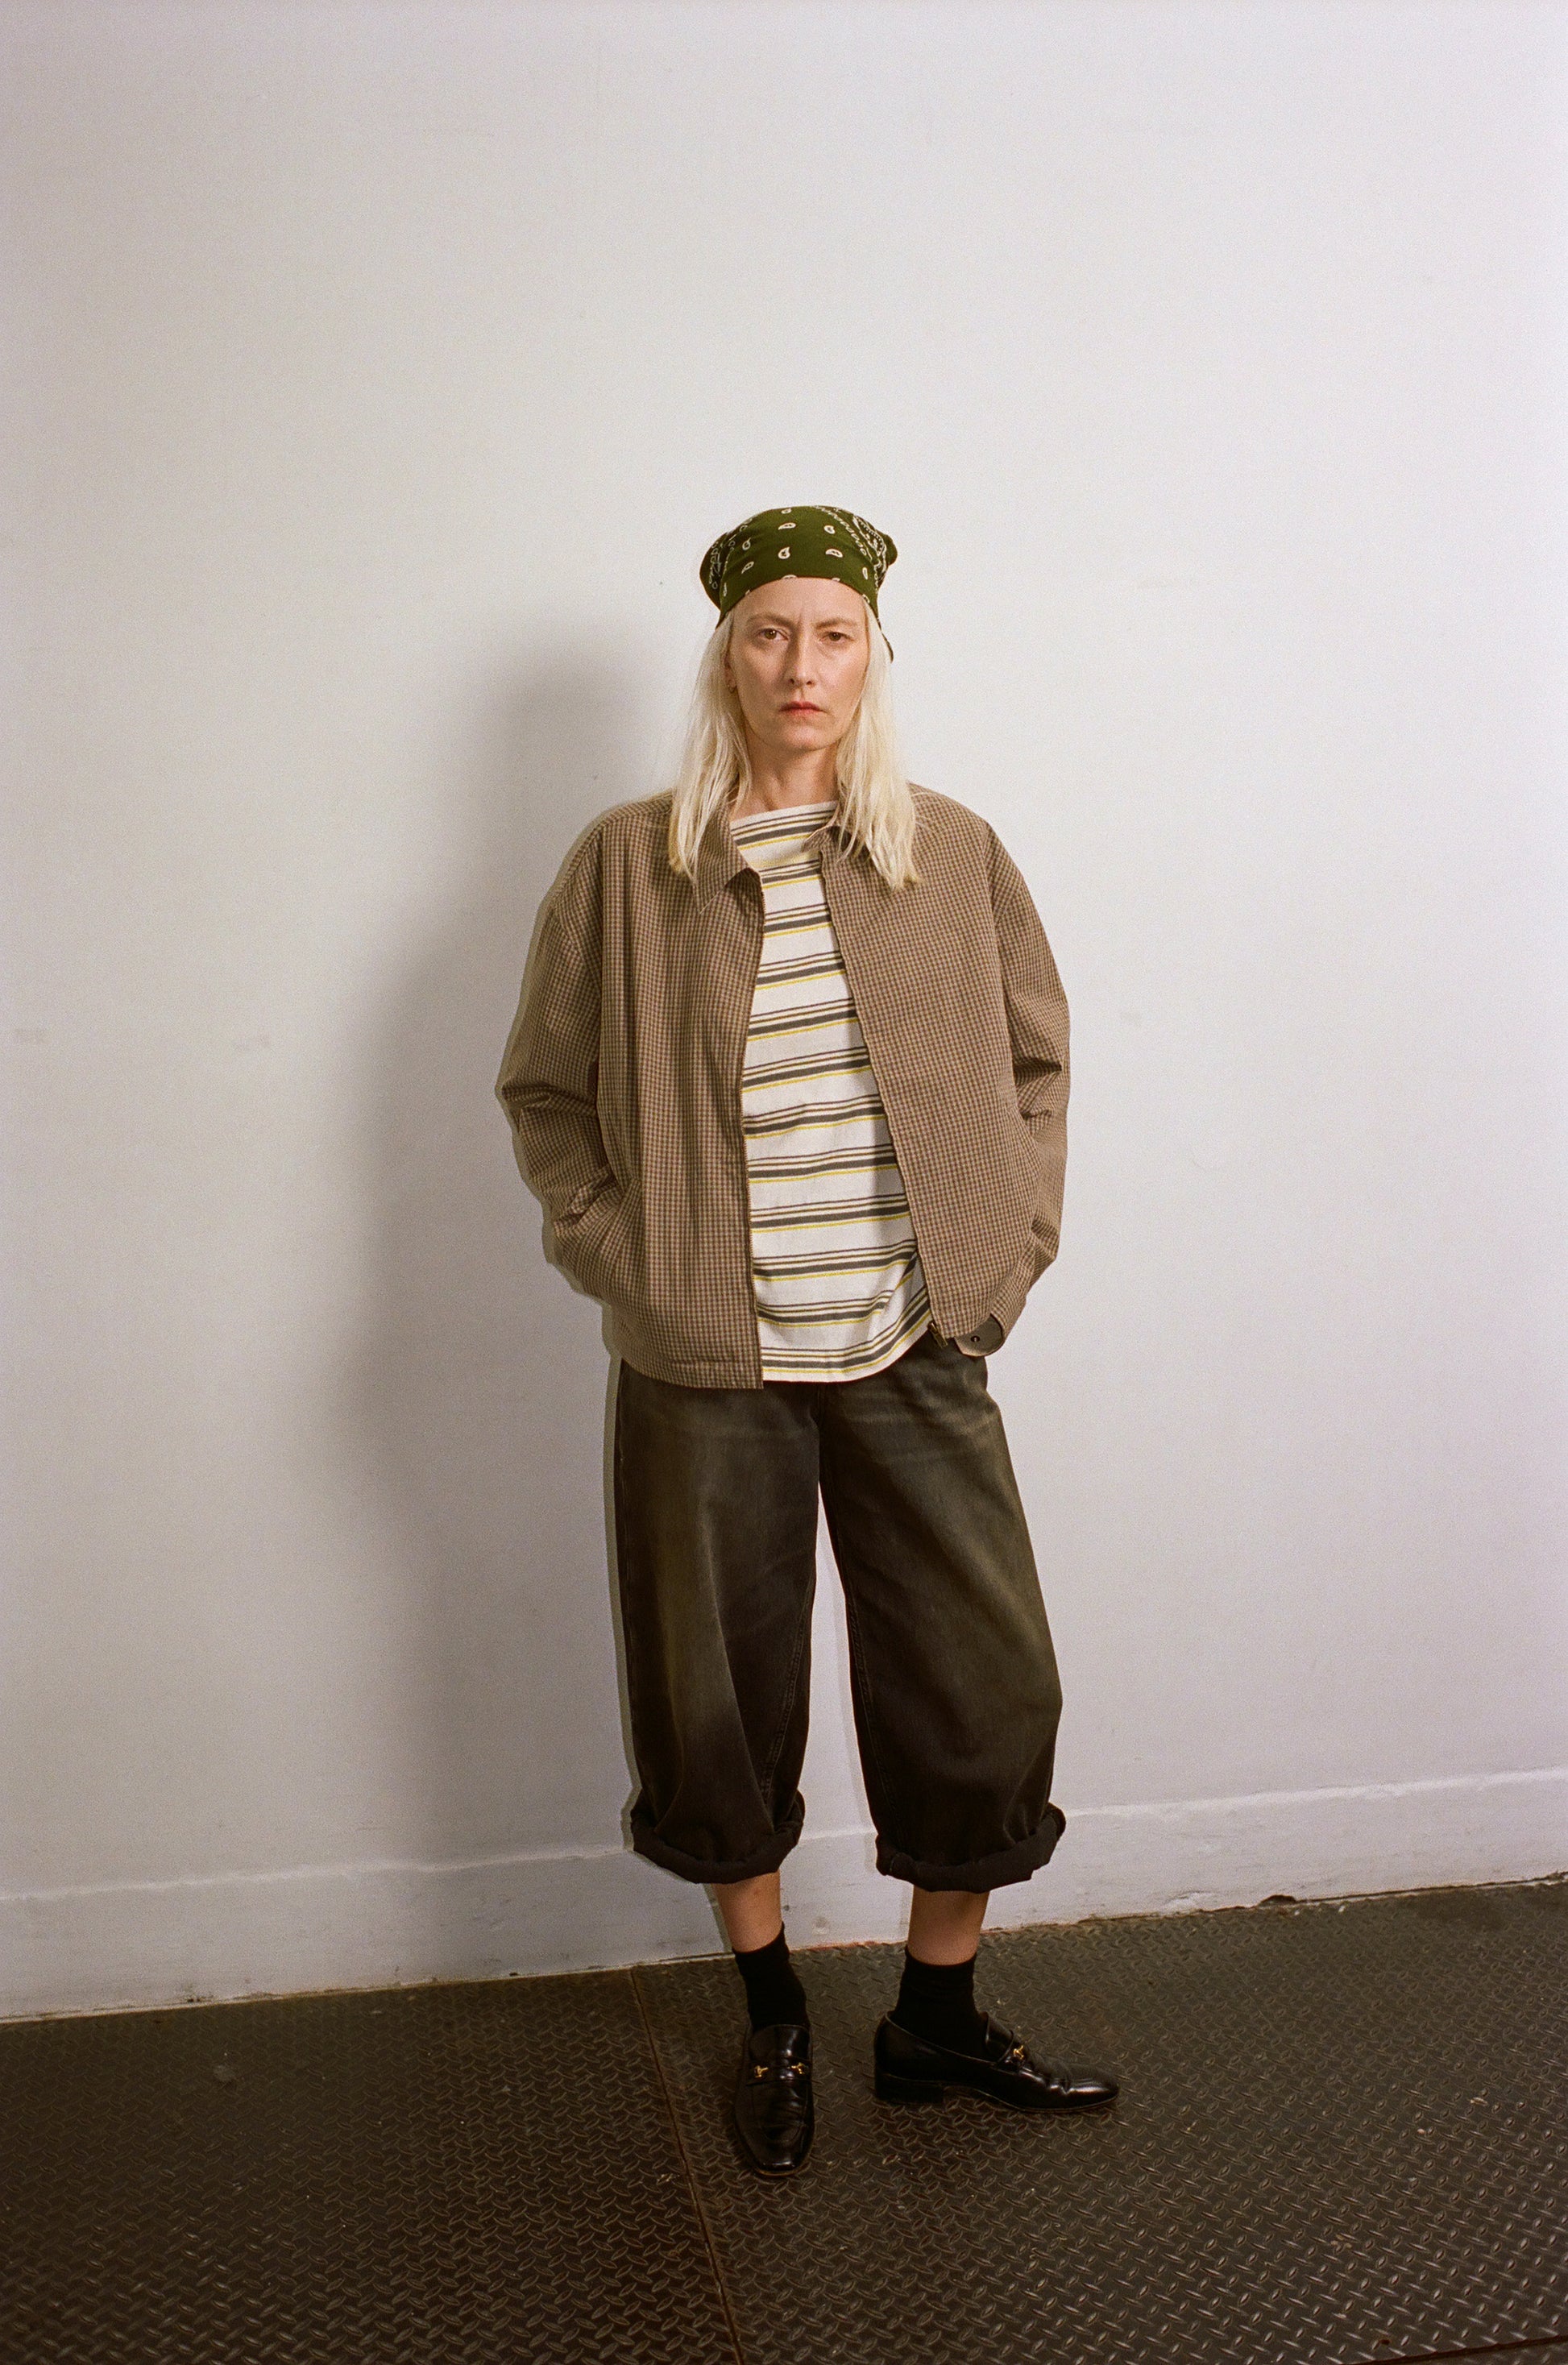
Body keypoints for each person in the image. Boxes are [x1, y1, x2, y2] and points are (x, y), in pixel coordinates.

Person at [496, 504, 1118, 2177]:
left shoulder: (948, 851)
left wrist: (1009, 1237)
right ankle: (772, 2008)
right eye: (768, 632)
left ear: (872, 657)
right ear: (727, 655)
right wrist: (621, 1248)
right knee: (715, 1706)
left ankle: (931, 2019)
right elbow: (546, 1093)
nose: (799, 664)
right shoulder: (630, 864)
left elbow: (1036, 1065)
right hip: (709, 1362)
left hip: (914, 1339)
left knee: (986, 1691)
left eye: (831, 633)